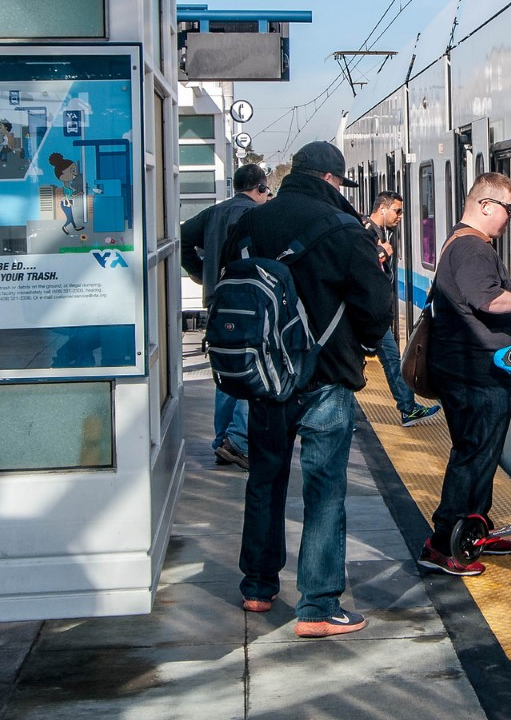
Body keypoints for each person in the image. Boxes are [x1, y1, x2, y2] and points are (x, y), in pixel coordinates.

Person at [220, 141, 393, 638]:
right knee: (324, 490)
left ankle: (257, 587)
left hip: (265, 378)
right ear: (331, 180)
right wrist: (359, 345)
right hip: (325, 378)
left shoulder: (249, 223)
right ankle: (317, 606)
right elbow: (378, 306)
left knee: (265, 480)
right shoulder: (344, 229)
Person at [417, 172, 511, 577]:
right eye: (508, 209)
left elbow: (491, 287)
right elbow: (487, 298)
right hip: (473, 372)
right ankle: (443, 543)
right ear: (485, 205)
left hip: (469, 369)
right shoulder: (473, 248)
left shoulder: (463, 243)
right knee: (472, 454)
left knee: (481, 453)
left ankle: (476, 530)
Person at [180, 163, 273, 470]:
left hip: (217, 301)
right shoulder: (258, 215)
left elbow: (181, 238)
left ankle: (223, 440)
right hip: (249, 302)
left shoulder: (212, 213)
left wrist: (201, 273)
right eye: (266, 190)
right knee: (253, 369)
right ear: (260, 188)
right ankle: (237, 440)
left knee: (225, 370)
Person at [362, 190, 440, 427]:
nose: (400, 216)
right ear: (382, 208)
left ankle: (408, 408)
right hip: (370, 313)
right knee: (391, 359)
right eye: (397, 211)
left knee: (389, 359)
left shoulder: (379, 232)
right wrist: (382, 253)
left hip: (374, 312)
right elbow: (360, 265)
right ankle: (407, 408)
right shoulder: (366, 232)